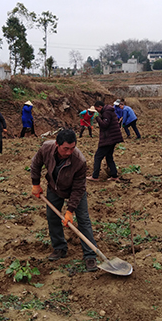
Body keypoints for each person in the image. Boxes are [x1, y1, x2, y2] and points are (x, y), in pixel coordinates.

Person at [31, 129, 98, 272]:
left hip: (75, 190)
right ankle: (59, 248)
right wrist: (36, 184)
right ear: (57, 144)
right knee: (52, 217)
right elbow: (36, 164)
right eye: (65, 148)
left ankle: (90, 255)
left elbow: (79, 187)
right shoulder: (46, 148)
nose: (69, 152)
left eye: (72, 148)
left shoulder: (79, 160)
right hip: (54, 188)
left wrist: (70, 210)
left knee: (83, 219)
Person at [87, 100, 124, 182]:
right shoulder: (108, 111)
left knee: (98, 156)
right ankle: (114, 175)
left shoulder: (106, 112)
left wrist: (97, 118)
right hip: (113, 138)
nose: (96, 111)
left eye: (97, 109)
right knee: (109, 156)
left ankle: (95, 176)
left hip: (109, 138)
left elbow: (104, 125)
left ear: (100, 107)